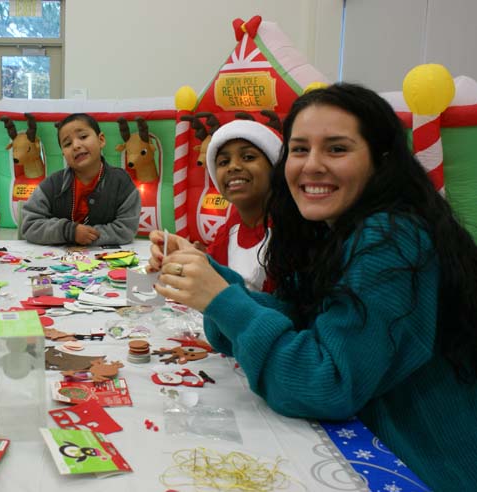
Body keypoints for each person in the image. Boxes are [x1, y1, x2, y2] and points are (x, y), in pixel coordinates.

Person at [149, 83, 477, 490]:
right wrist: (209, 274)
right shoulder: (329, 231)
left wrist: (221, 298)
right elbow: (299, 317)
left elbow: (325, 383)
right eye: (300, 149)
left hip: (420, 467)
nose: (312, 165)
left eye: (337, 149)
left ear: (382, 160)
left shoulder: (390, 238)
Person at [20, 113, 140, 245]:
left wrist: (87, 236)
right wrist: (68, 232)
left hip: (106, 261)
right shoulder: (52, 184)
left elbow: (126, 229)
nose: (76, 145)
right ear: (63, 153)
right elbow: (29, 225)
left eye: (83, 137)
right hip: (59, 261)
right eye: (67, 143)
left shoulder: (121, 183)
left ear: (101, 140)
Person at [203, 116, 281, 291]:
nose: (233, 167)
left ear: (275, 169)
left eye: (248, 157)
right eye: (223, 162)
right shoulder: (229, 230)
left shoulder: (292, 234)